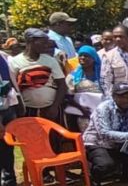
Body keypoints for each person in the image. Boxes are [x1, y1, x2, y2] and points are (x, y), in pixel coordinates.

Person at [83, 83, 128, 183]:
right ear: (113, 97)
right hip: (99, 143)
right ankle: (93, 178)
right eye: (121, 97)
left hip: (121, 142)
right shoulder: (103, 108)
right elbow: (105, 134)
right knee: (106, 165)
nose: (126, 100)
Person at [10, 28, 66, 121]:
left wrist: (55, 107)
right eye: (43, 42)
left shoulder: (50, 61)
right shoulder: (15, 62)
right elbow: (13, 88)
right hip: (27, 110)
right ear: (31, 41)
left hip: (51, 109)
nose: (46, 46)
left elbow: (62, 85)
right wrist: (20, 108)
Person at [65, 45, 104, 131]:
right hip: (80, 114)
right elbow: (68, 96)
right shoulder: (73, 76)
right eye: (80, 55)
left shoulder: (103, 74)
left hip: (102, 113)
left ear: (94, 58)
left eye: (86, 56)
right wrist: (82, 109)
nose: (82, 58)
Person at [0, 47, 19, 186]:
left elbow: (11, 81)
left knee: (7, 147)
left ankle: (9, 180)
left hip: (8, 107)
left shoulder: (3, 56)